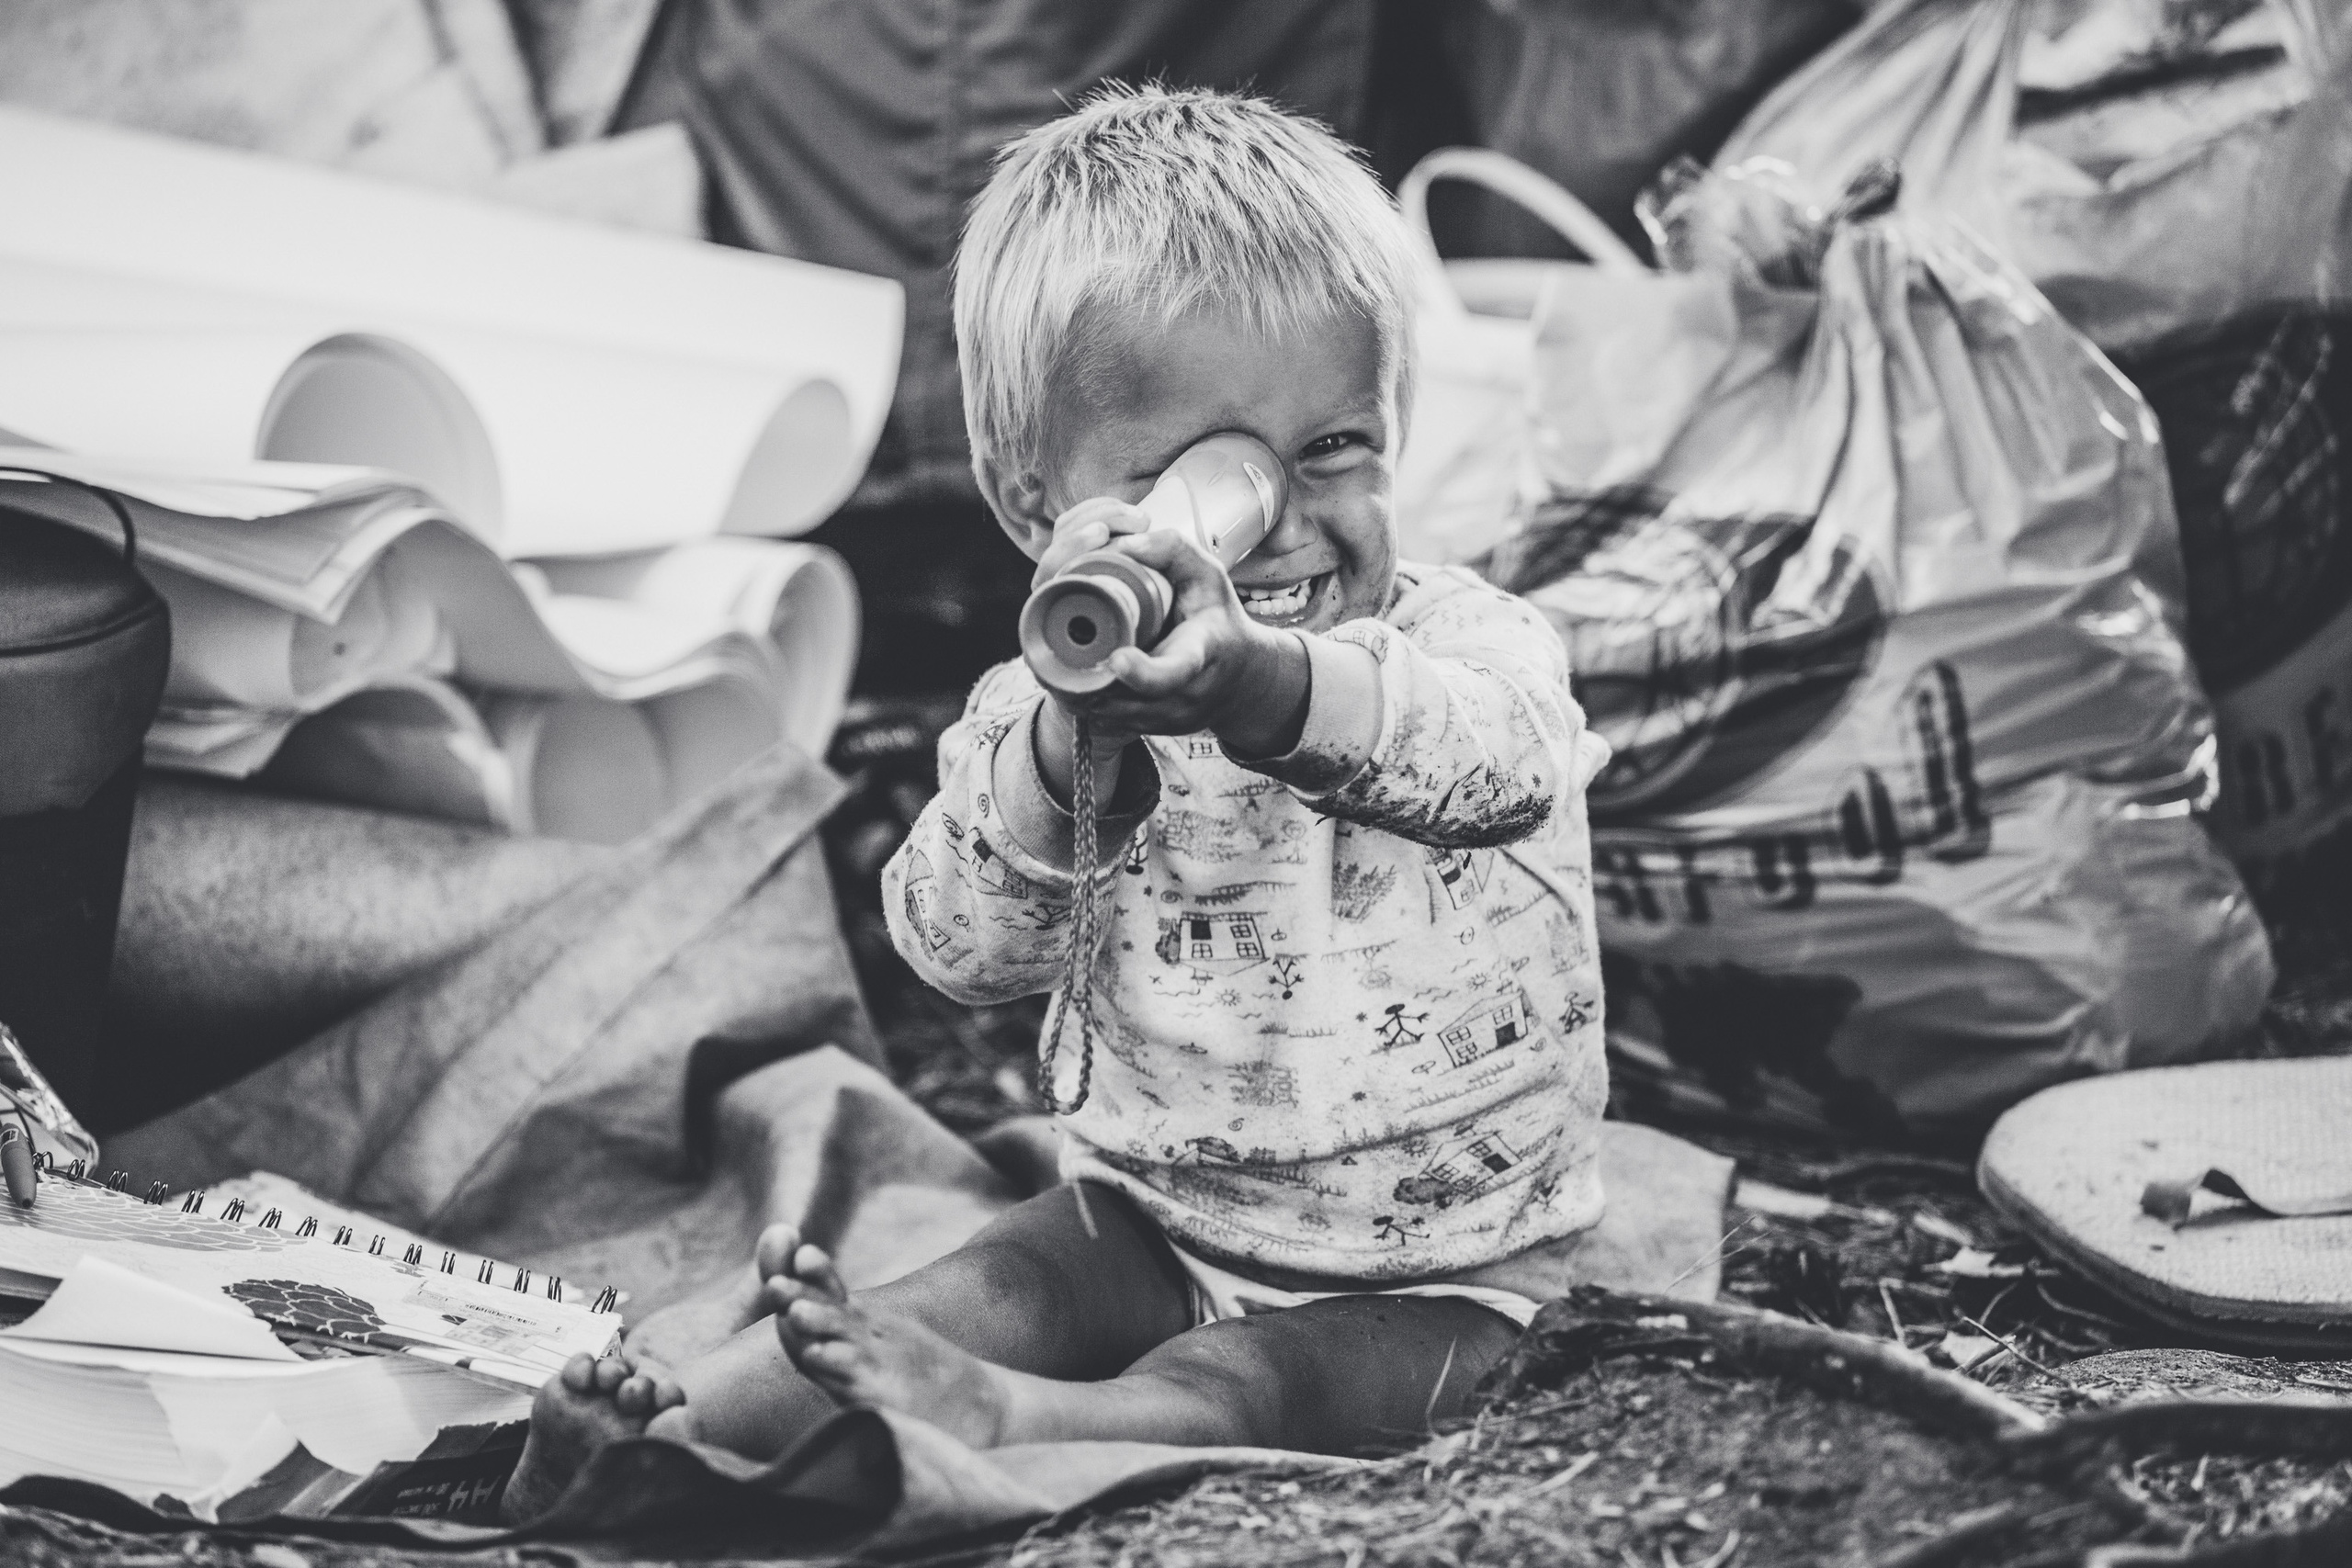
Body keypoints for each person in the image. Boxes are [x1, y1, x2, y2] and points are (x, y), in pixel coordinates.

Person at [511, 82, 1609, 1504]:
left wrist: (1265, 692)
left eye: (1334, 447)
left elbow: (1497, 769)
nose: (1275, 519)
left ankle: (1016, 1427)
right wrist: (1065, 759)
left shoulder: (1466, 648)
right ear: (1039, 507)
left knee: (1242, 1380)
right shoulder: (1058, 707)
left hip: (1466, 1280)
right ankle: (658, 1439)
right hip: (1150, 1219)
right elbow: (959, 952)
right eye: (1194, 480)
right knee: (975, 1287)